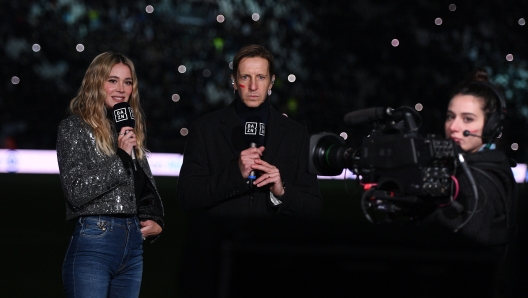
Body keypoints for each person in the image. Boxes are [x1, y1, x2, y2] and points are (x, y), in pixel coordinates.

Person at [56, 52, 164, 298]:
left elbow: (140, 188)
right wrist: (122, 157)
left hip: (133, 245)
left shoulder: (127, 126)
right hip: (95, 241)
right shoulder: (74, 127)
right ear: (96, 82)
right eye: (112, 80)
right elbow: (77, 191)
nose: (121, 88)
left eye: (127, 82)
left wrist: (155, 219)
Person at [176, 44, 322, 217]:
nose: (253, 86)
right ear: (234, 82)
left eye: (260, 77)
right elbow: (187, 198)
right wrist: (235, 174)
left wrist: (282, 193)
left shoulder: (296, 134)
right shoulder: (205, 129)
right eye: (245, 77)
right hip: (220, 239)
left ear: (271, 82)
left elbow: (314, 207)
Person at [423, 69, 517, 249]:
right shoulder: (494, 161)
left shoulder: (477, 183)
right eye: (450, 116)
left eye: (467, 119)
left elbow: (461, 257)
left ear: (491, 126)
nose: (453, 126)